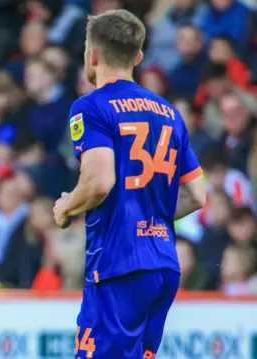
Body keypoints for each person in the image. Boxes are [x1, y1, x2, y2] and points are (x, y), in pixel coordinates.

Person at [51, 10, 207, 359]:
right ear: (137, 57)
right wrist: (148, 213)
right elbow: (197, 194)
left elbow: (99, 181)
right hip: (163, 264)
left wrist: (66, 208)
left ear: (91, 54)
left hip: (119, 265)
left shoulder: (90, 107)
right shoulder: (168, 111)